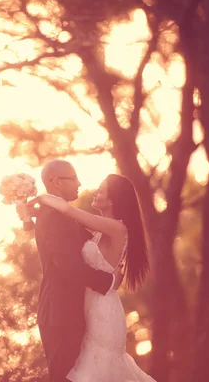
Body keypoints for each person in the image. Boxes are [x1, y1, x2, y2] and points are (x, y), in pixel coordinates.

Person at [19, 160, 155, 381]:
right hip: (83, 307)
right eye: (75, 178)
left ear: (113, 200)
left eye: (101, 191)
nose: (86, 187)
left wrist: (42, 199)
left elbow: (67, 211)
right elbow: (58, 238)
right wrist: (31, 215)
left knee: (93, 371)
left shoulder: (116, 227)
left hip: (101, 309)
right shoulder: (99, 228)